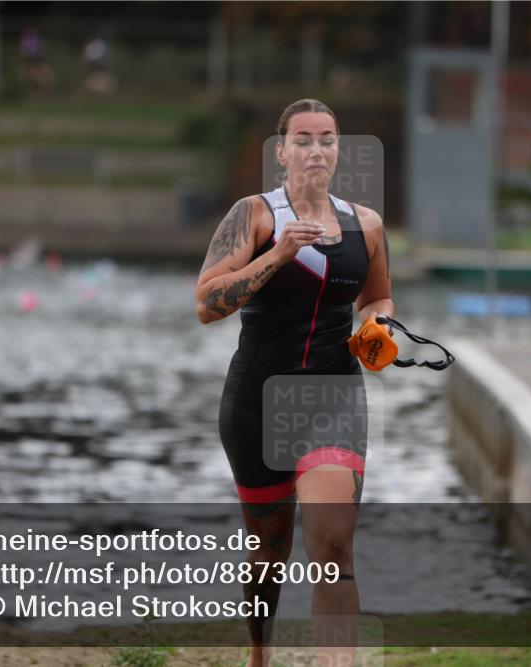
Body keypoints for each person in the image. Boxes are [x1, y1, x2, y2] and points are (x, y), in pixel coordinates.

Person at [195, 99, 393, 667]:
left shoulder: (366, 224)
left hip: (333, 394)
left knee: (332, 546)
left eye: (327, 138)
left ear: (339, 150)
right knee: (268, 555)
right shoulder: (254, 215)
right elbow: (208, 303)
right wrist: (279, 254)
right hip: (257, 401)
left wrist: (374, 326)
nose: (316, 150)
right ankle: (261, 653)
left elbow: (376, 296)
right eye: (302, 139)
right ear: (281, 151)